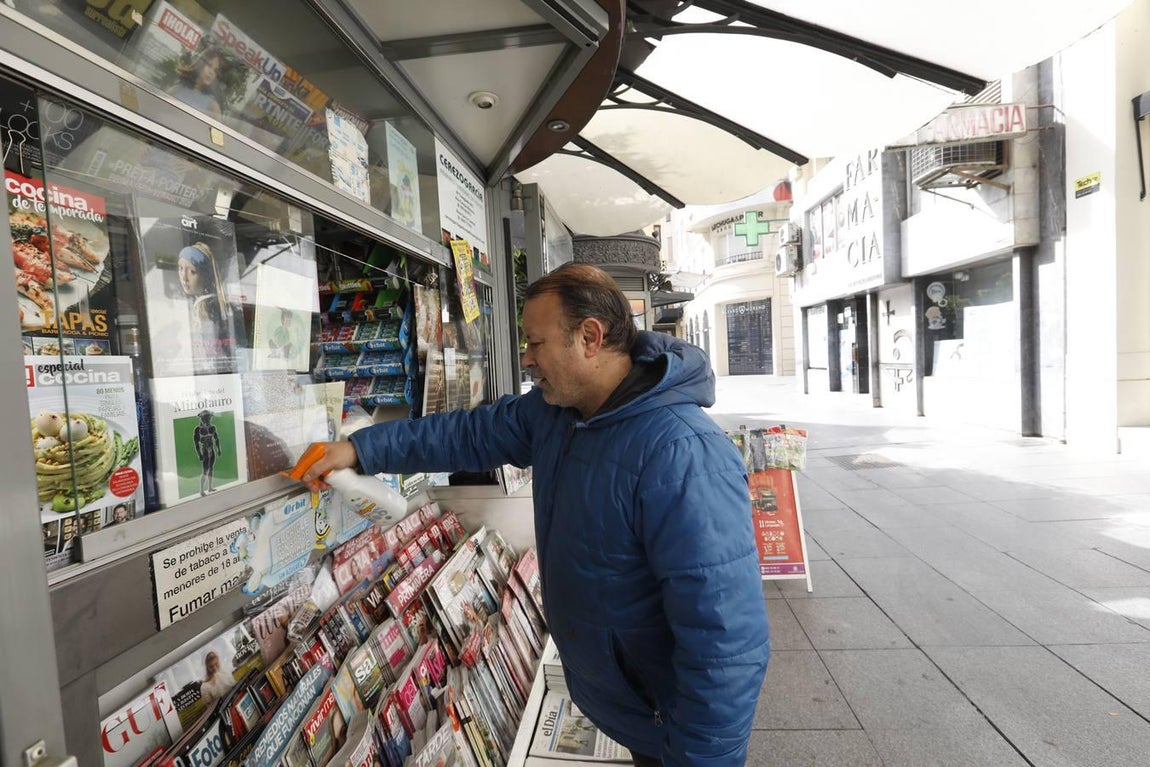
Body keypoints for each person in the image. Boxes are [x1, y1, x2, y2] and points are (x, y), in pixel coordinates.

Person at [301, 263, 770, 766]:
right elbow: (466, 435)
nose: (525, 359)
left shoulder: (684, 454)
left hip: (669, 729)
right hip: (628, 707)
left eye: (535, 343)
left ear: (589, 337)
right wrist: (360, 450)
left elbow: (724, 644)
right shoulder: (557, 413)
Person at [168, 50, 224, 120]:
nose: (211, 72)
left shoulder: (213, 107)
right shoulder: (176, 90)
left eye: (215, 71)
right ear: (200, 64)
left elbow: (215, 130)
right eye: (209, 65)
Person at [193, 409, 221, 495]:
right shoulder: (198, 429)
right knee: (205, 470)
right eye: (206, 418)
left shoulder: (212, 428)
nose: (208, 419)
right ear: (202, 418)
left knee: (211, 468)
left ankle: (209, 487)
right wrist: (199, 454)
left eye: (209, 417)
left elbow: (216, 439)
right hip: (204, 450)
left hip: (211, 450)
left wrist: (219, 449)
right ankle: (201, 490)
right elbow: (196, 443)